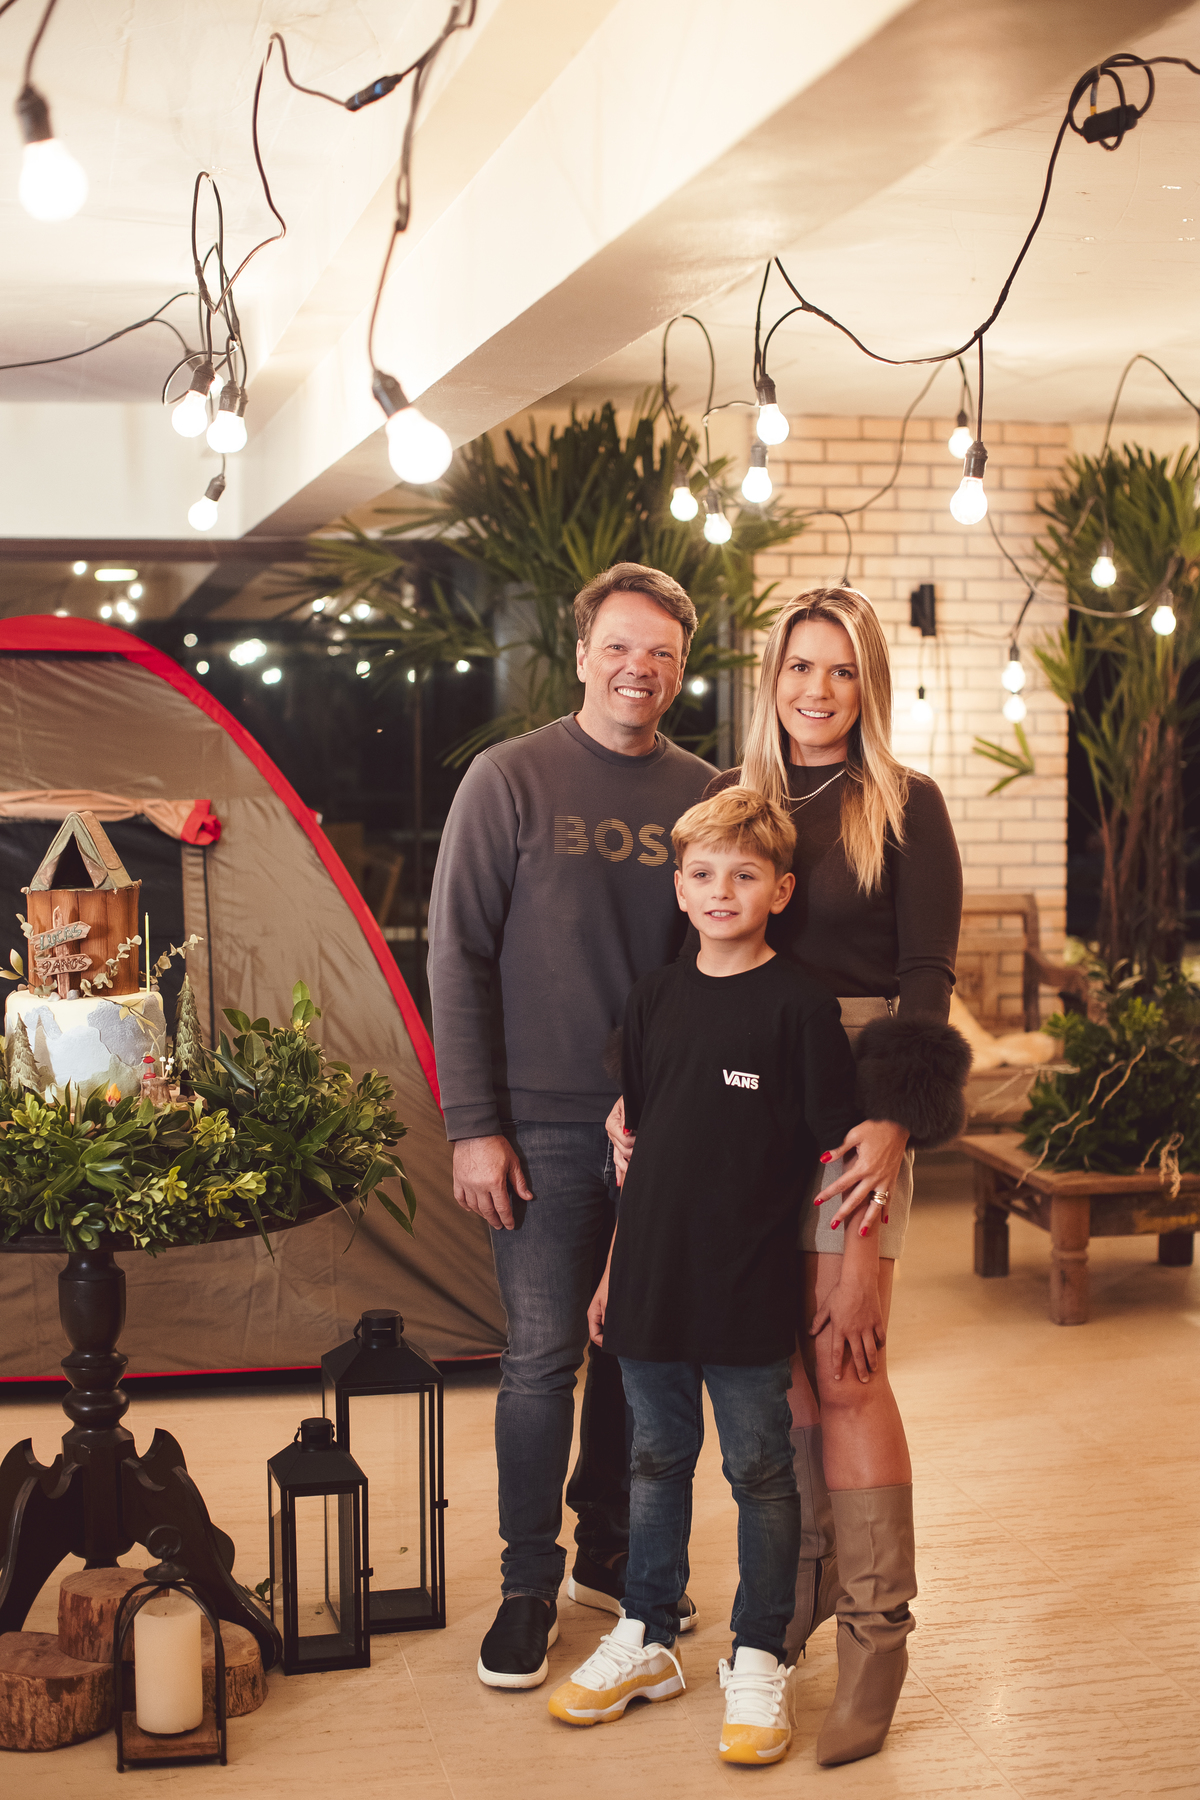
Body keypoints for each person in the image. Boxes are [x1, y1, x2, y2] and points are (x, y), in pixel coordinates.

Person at [609, 585, 969, 1765]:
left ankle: (875, 1637)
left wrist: (896, 1120)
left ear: (870, 685)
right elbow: (691, 954)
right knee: (788, 1374)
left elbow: (926, 978)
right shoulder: (743, 798)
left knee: (849, 1364)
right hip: (741, 1104)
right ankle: (799, 1594)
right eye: (800, 667)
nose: (818, 691)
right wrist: (641, 1092)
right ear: (773, 679)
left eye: (842, 670)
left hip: (852, 1102)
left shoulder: (905, 805)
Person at [426, 562, 714, 1691]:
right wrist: (473, 1125)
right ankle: (526, 1584)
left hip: (662, 1126)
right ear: (583, 650)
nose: (640, 668)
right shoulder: (509, 779)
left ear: (680, 670)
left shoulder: (702, 792)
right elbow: (457, 955)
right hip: (536, 1126)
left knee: (638, 1353)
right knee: (543, 1359)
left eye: (663, 654)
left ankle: (610, 1553)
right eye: (621, 646)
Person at [547, 788, 862, 1765]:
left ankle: (760, 1653)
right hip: (648, 1280)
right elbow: (635, 1153)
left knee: (760, 1473)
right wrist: (611, 1274)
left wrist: (839, 1279)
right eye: (702, 873)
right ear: (679, 889)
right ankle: (646, 1634)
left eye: (744, 874)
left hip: (748, 1288)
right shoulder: (652, 1000)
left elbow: (838, 1158)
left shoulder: (801, 1007)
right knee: (654, 1461)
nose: (722, 890)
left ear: (780, 890)